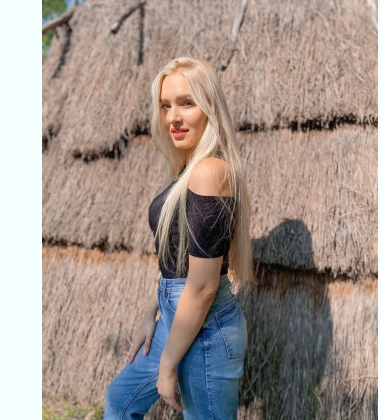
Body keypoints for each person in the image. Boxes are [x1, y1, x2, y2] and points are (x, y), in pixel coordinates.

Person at [104, 57, 254, 420]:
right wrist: (151, 313)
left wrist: (167, 364)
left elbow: (202, 286)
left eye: (186, 103)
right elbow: (174, 259)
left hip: (206, 327)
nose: (173, 117)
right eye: (165, 106)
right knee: (120, 401)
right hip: (176, 315)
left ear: (210, 107)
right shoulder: (189, 170)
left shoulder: (210, 172)